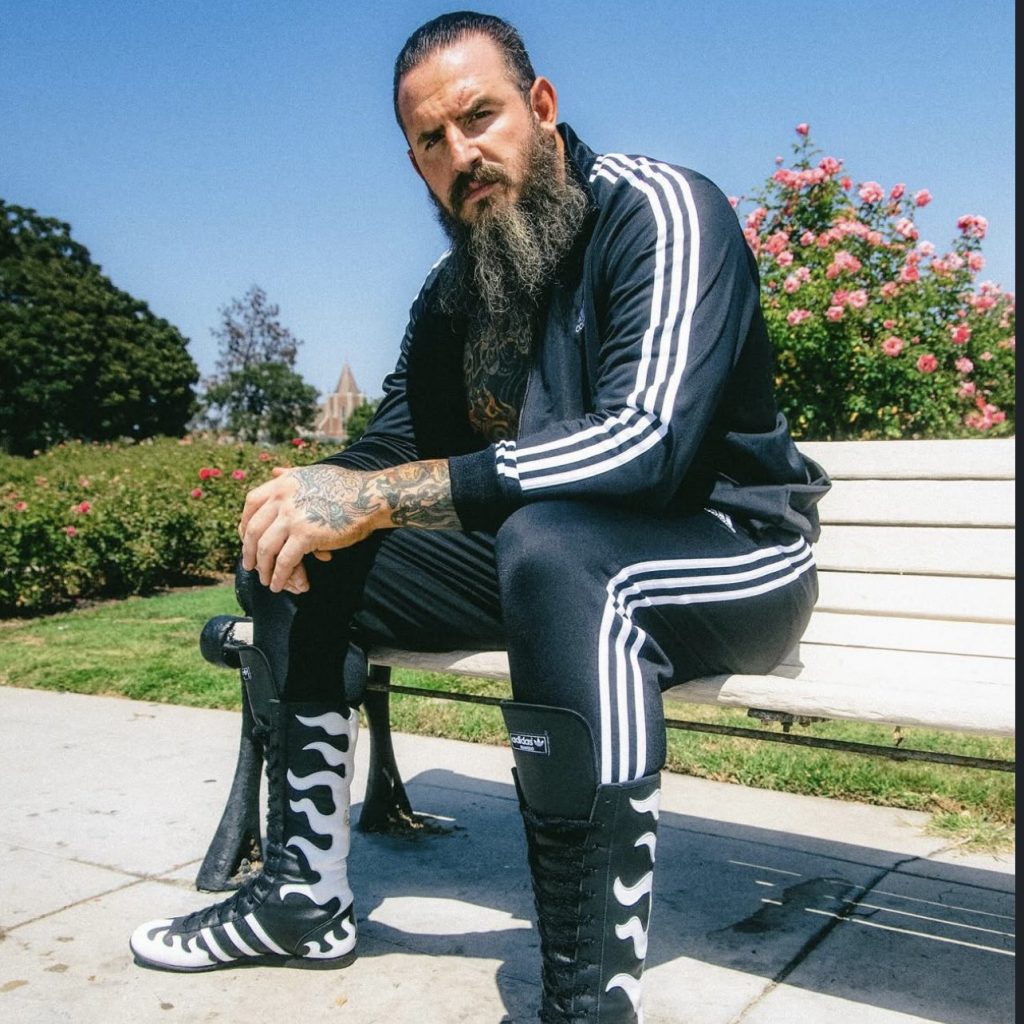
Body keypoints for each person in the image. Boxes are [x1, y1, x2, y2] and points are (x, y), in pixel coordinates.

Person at [130, 11, 829, 1022]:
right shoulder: (456, 284)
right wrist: (312, 492)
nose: (462, 154)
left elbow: (645, 443)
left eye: (479, 116)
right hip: (551, 568)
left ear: (540, 107)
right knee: (301, 548)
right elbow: (393, 443)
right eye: (431, 139)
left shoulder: (661, 210)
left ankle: (584, 1000)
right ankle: (301, 899)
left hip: (730, 551)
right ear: (415, 163)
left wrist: (376, 497)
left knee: (554, 550)